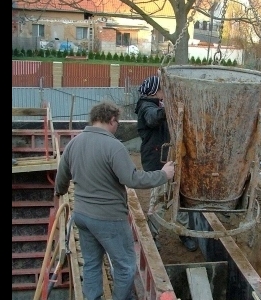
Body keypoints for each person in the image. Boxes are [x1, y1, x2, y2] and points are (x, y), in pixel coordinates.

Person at [54, 100, 175, 300]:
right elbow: (132, 179)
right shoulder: (114, 146)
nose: (117, 126)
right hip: (109, 218)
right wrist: (163, 174)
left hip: (82, 216)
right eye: (117, 122)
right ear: (111, 120)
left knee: (92, 263)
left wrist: (60, 192)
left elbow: (61, 178)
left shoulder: (74, 143)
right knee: (125, 265)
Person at [134, 75, 198, 252]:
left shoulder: (157, 104)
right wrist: (173, 107)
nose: (165, 91)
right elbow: (153, 118)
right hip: (158, 162)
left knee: (181, 196)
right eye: (162, 89)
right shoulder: (146, 107)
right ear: (155, 91)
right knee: (160, 200)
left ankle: (184, 233)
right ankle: (151, 236)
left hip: (170, 158)